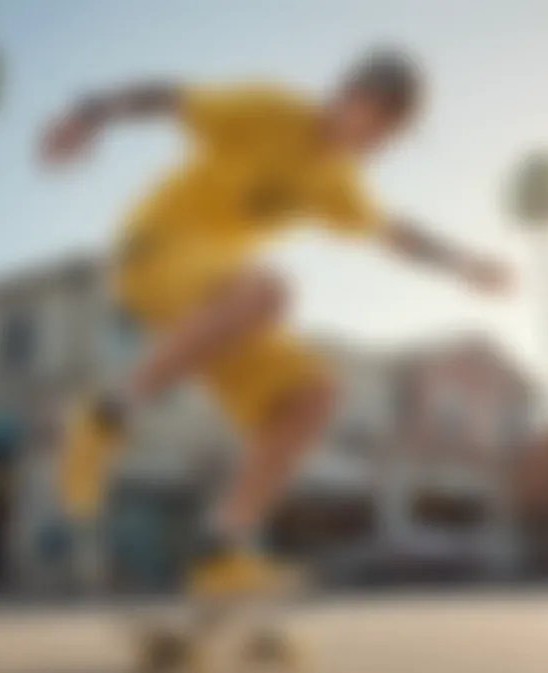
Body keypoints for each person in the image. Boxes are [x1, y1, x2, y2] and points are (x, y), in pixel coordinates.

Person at [40, 47, 512, 597]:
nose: (377, 142)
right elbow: (170, 97)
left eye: (390, 135)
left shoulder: (337, 182)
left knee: (311, 393)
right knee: (268, 288)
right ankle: (104, 417)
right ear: (349, 96)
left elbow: (393, 233)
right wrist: (88, 113)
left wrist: (465, 265)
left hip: (218, 306)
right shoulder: (269, 110)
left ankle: (221, 549)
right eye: (376, 120)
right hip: (154, 250)